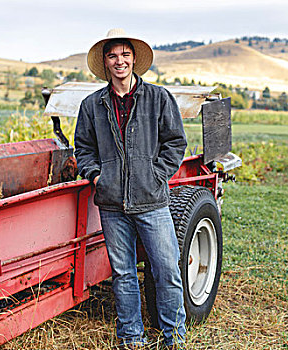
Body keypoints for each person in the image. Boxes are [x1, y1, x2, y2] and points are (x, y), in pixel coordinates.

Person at [74, 28, 187, 349]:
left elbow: (175, 142)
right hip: (112, 204)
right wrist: (98, 177)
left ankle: (174, 338)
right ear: (105, 63)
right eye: (113, 55)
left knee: (166, 271)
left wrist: (156, 175)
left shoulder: (158, 98)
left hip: (152, 201)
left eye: (125, 54)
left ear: (134, 60)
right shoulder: (91, 105)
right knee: (123, 276)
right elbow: (83, 148)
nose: (119, 61)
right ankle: (131, 339)